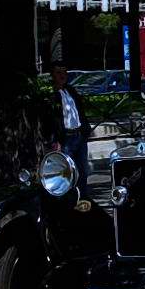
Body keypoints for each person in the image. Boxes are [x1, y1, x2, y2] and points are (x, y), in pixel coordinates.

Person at [46, 61, 92, 196]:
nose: (62, 76)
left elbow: (79, 112)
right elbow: (51, 120)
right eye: (58, 72)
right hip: (65, 138)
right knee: (68, 172)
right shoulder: (52, 95)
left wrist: (85, 129)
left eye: (64, 72)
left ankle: (83, 198)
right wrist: (55, 140)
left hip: (79, 135)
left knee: (83, 170)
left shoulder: (70, 90)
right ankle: (70, 199)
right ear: (53, 75)